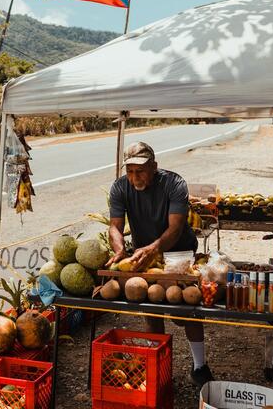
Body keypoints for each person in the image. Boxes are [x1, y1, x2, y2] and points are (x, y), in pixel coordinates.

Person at [106, 141, 214, 387]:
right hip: (146, 254)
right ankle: (158, 363)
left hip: (179, 252)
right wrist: (120, 248)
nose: (135, 178)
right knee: (151, 308)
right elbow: (115, 225)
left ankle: (199, 365)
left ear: (154, 166)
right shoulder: (120, 187)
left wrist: (153, 248)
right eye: (130, 171)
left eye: (141, 171)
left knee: (187, 310)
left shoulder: (174, 184)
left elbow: (175, 228)